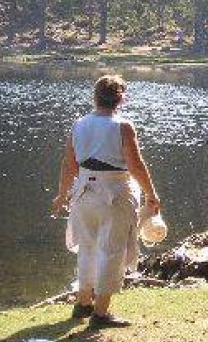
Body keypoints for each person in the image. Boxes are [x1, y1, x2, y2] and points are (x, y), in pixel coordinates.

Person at [52, 75, 161, 329]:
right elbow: (136, 165)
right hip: (114, 193)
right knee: (113, 251)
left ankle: (83, 303)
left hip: (83, 194)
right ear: (121, 99)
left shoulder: (78, 124)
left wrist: (62, 194)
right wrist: (151, 194)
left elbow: (69, 164)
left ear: (95, 97)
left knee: (88, 248)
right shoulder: (122, 126)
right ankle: (100, 314)